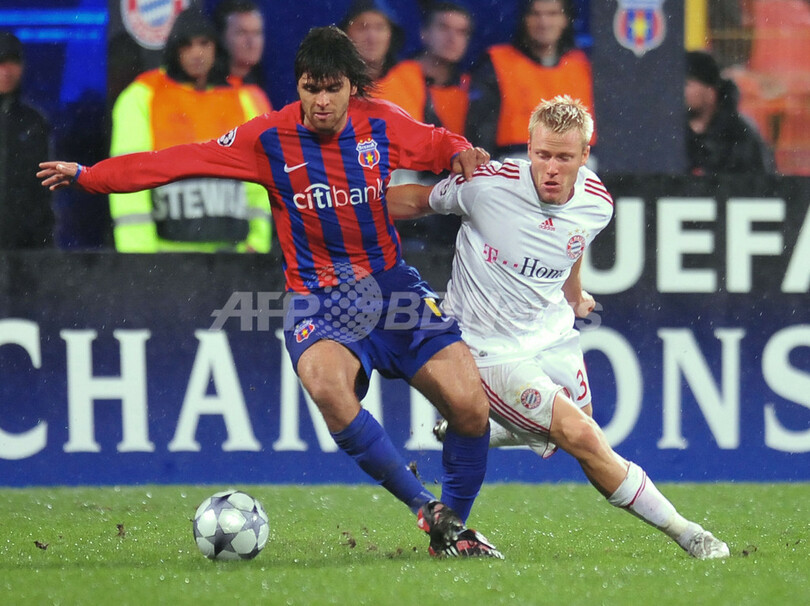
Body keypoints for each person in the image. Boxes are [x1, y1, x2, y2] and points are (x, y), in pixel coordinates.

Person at [39, 26, 502, 559]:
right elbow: (175, 160)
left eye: (332, 89)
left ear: (352, 87)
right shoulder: (267, 139)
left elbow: (439, 142)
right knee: (328, 388)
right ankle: (426, 507)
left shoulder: (382, 123)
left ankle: (453, 531)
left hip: (392, 287)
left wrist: (462, 151)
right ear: (297, 85)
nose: (321, 101)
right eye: (310, 88)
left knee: (470, 408)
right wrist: (90, 175)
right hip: (319, 300)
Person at [386, 95, 730, 560]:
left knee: (583, 426)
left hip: (551, 333)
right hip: (489, 350)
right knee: (584, 438)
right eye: (542, 154)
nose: (550, 168)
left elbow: (572, 243)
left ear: (584, 155)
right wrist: (342, 208)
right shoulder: (487, 186)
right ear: (529, 148)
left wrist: (574, 292)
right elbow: (418, 200)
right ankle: (690, 534)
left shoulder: (597, 201)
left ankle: (491, 428)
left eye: (564, 157)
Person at [108, 7, 271, 252]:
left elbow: (260, 181)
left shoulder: (244, 99)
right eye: (187, 45)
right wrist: (139, 259)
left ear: (216, 46)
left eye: (204, 43)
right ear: (175, 48)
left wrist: (258, 244)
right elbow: (129, 179)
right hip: (166, 258)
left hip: (234, 257)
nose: (197, 53)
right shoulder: (142, 97)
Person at [466, 0, 595, 161]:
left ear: (566, 19)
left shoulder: (585, 65)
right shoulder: (497, 62)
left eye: (552, 14)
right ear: (524, 19)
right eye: (535, 14)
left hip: (581, 163)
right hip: (514, 161)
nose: (544, 22)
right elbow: (481, 129)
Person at [375, 2, 473, 136]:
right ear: (424, 33)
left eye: (461, 32)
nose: (452, 38)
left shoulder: (472, 88)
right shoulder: (394, 77)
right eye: (443, 28)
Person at [0, 31, 54, 249]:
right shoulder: (32, 122)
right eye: (1, 62)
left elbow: (43, 188)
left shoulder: (33, 122)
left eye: (13, 62)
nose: (6, 70)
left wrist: (42, 237)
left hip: (24, 247)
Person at [685, 50, 774, 175]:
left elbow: (761, 181)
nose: (678, 91)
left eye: (687, 84)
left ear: (710, 93)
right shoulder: (670, 133)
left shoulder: (739, 135)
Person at [213, 0, 273, 114]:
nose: (251, 42)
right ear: (222, 37)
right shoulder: (209, 91)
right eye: (242, 33)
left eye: (256, 33)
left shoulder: (258, 92)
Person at [340, 0, 404, 82]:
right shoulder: (333, 81)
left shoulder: (410, 77)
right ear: (345, 34)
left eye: (380, 28)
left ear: (392, 35)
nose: (372, 38)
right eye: (362, 28)